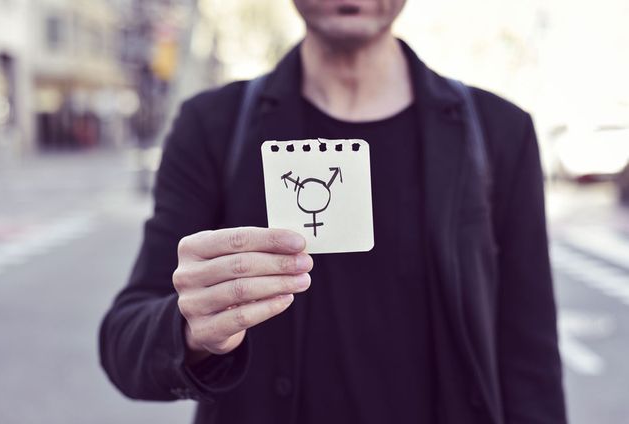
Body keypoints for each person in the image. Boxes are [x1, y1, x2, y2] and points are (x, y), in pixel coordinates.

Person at [99, 1, 567, 423]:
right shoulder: (211, 127)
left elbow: (530, 360)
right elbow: (124, 342)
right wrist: (191, 330)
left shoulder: (499, 131)